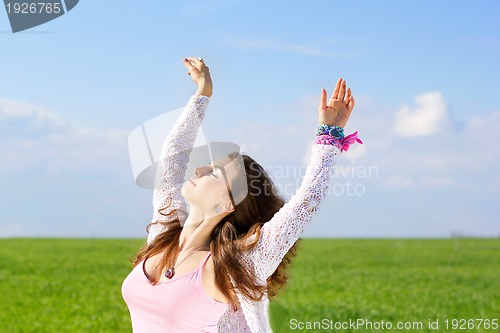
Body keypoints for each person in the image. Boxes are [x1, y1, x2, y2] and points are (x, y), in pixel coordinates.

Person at [122, 57, 361, 333]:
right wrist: (202, 93)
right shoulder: (163, 234)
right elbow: (172, 158)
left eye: (214, 173)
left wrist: (329, 135)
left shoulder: (235, 265)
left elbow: (306, 203)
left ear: (227, 204)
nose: (198, 169)